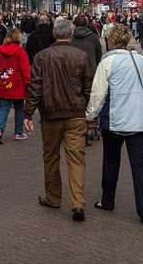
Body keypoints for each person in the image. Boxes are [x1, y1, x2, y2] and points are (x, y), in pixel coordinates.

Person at [85, 24, 143, 224]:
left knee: (111, 161)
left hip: (115, 122)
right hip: (140, 122)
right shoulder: (141, 61)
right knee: (139, 164)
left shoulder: (107, 62)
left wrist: (90, 116)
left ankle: (107, 201)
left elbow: (98, 94)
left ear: (112, 41)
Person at [23, 18, 93, 222]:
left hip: (51, 115)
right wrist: (83, 105)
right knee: (76, 160)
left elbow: (35, 87)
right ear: (71, 35)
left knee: (51, 157)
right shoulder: (82, 56)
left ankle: (53, 198)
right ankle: (78, 203)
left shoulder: (42, 57)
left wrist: (28, 113)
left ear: (54, 34)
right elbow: (88, 87)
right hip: (76, 115)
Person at [0, 29, 31, 144]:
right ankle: (18, 133)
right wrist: (30, 84)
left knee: (3, 108)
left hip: (2, 83)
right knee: (19, 108)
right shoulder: (20, 52)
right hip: (17, 85)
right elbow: (26, 70)